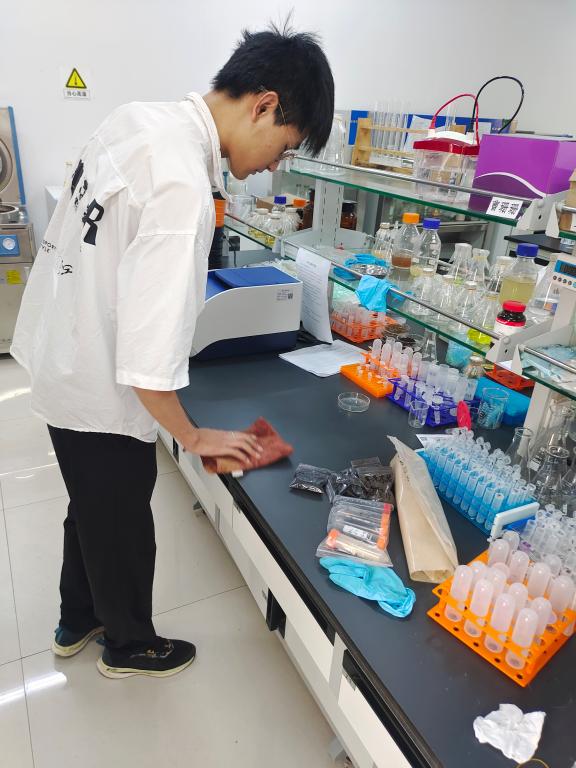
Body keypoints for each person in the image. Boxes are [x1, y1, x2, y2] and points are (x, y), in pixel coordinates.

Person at [10, 22, 334, 679]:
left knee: (90, 506)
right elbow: (146, 355)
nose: (275, 165)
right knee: (123, 517)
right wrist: (194, 436)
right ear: (265, 104)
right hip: (98, 384)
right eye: (284, 147)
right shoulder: (184, 186)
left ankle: (78, 619)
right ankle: (128, 645)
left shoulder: (137, 119)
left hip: (62, 353)